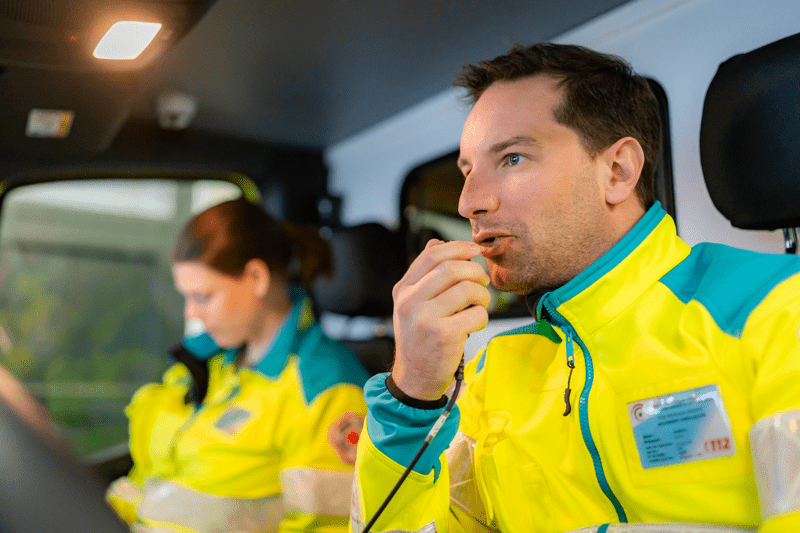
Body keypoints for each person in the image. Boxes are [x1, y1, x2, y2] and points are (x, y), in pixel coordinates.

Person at [351, 44, 800, 533]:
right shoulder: (488, 375)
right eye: (467, 172)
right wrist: (412, 395)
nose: (469, 203)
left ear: (617, 171)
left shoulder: (775, 310)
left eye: (512, 158)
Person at [106, 197, 369, 532]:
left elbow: (327, 526)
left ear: (256, 278)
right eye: (186, 297)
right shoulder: (205, 365)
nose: (191, 314)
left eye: (202, 297)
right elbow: (151, 483)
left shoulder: (325, 388)